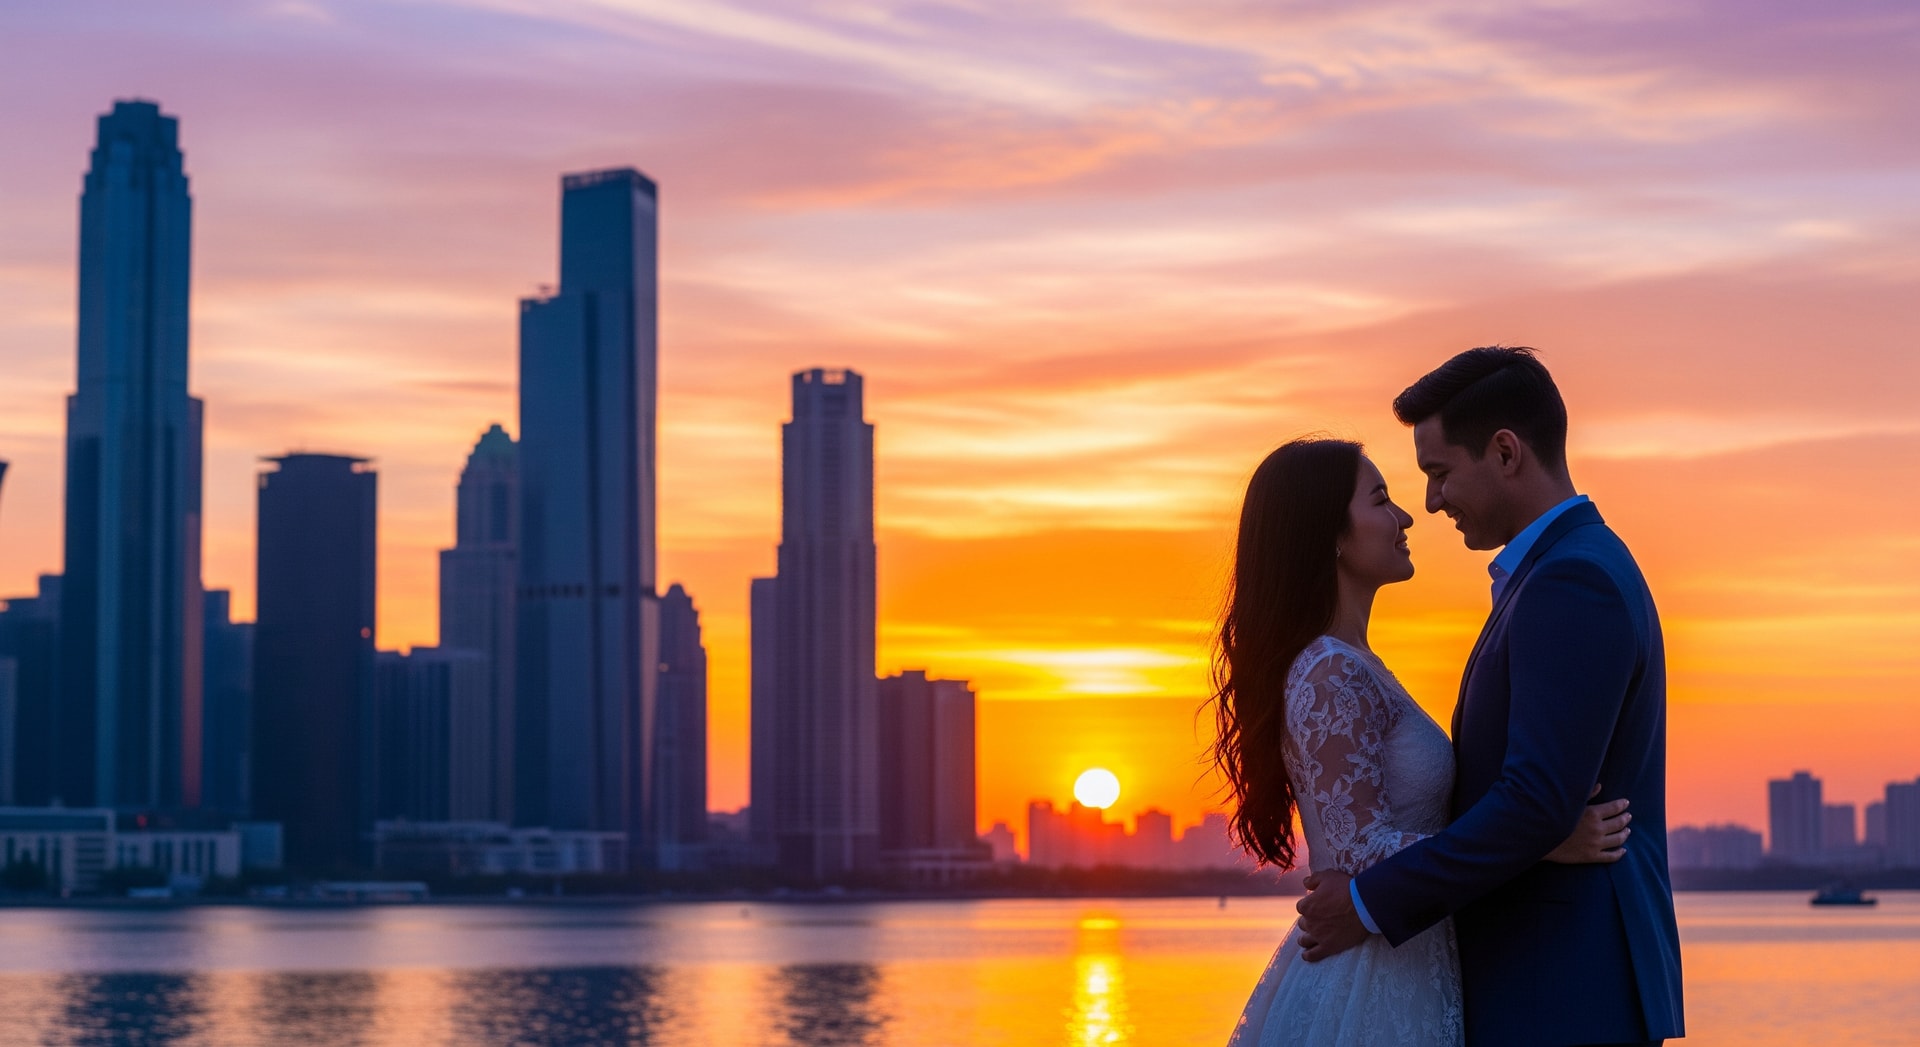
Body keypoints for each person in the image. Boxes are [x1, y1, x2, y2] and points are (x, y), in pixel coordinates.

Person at [1292, 347, 1684, 1046]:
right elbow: (1535, 810)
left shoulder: (1571, 582)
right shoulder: (1559, 572)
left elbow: (1535, 801)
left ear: (1505, 452)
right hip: (1545, 982)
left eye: (1439, 473)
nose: (1432, 501)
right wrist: (1542, 839)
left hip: (1559, 989)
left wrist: (1364, 902)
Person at [1216, 434, 1631, 1047]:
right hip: (1372, 975)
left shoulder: (1357, 663)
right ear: (1329, 533)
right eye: (1381, 499)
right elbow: (1361, 850)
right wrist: (1540, 840)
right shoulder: (1330, 670)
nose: (1407, 515)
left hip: (1409, 956)